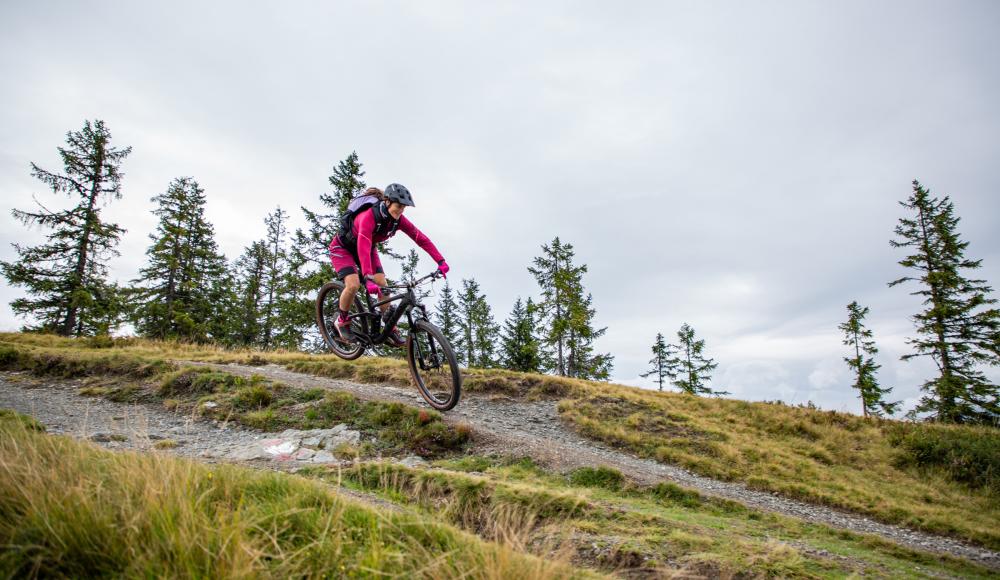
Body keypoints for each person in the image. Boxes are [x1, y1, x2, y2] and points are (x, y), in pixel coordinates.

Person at [328, 183, 449, 346]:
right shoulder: (368, 217)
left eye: (404, 208)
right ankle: (341, 320)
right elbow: (363, 247)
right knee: (353, 285)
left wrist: (440, 261)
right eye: (398, 206)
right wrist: (368, 278)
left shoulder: (398, 221)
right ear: (387, 202)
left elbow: (420, 238)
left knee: (383, 285)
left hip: (367, 248)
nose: (400, 211)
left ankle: (389, 328)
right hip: (343, 248)